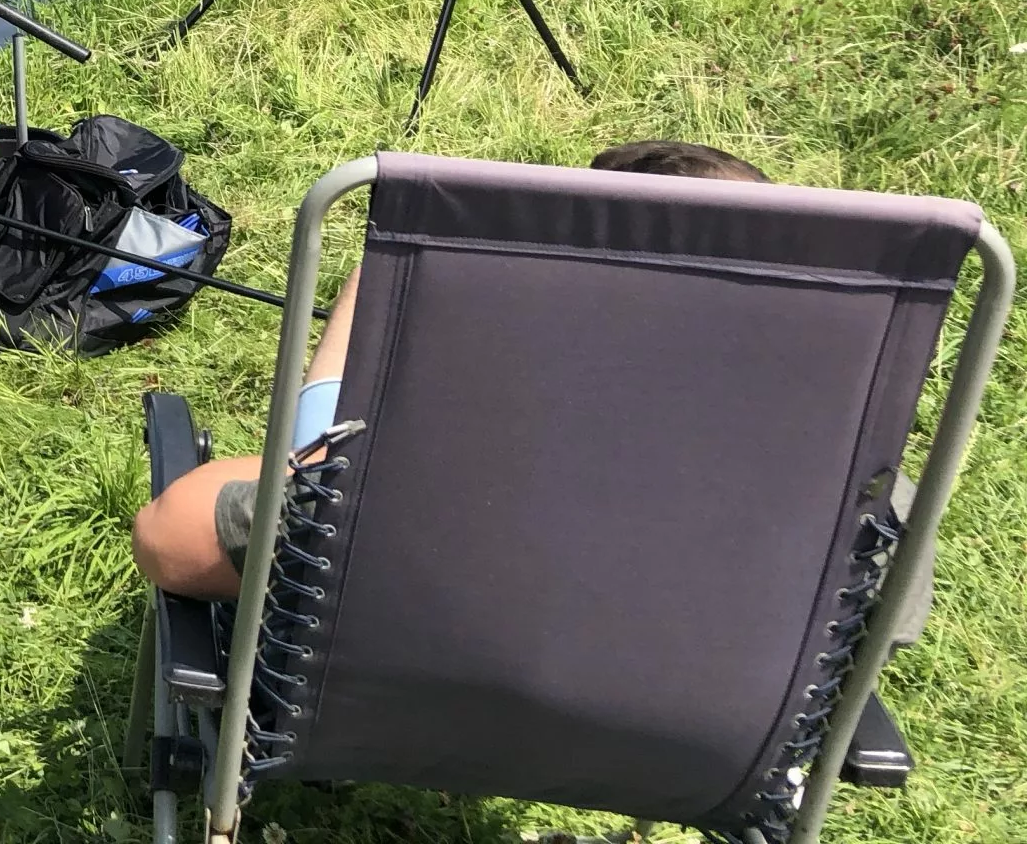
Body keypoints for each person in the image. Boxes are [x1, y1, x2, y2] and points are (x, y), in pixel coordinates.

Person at [130, 139, 772, 600]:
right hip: (692, 751)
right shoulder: (803, 516)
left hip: (406, 690)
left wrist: (312, 467)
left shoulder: (442, 475)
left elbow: (170, 542)